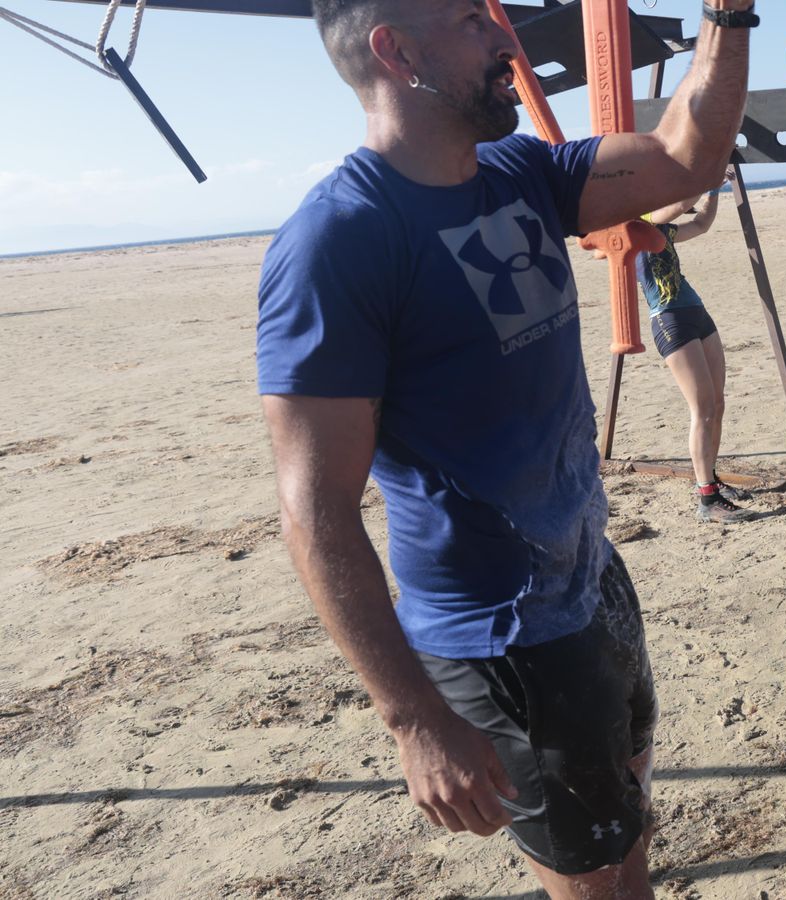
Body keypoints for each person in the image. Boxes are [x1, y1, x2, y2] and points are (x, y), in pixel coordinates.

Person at [254, 0, 754, 895]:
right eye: (468, 20)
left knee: (626, 838)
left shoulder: (518, 173)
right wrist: (412, 719)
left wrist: (728, 16)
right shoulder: (340, 242)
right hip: (502, 641)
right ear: (395, 51)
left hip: (591, 581)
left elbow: (687, 156)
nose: (507, 38)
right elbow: (314, 510)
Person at [637, 166, 755, 524]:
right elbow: (674, 206)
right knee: (702, 408)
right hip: (669, 319)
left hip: (696, 311)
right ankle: (707, 497)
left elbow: (701, 223)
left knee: (717, 403)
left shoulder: (664, 230)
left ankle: (712, 478)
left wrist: (715, 191)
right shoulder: (639, 222)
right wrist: (709, 177)